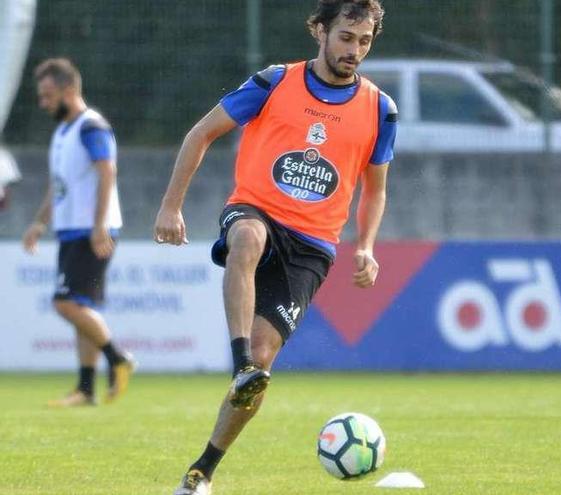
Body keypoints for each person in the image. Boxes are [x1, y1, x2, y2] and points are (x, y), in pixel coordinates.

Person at [154, 1, 396, 493]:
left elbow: (375, 189)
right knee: (246, 236)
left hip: (312, 246)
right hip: (257, 209)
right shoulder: (273, 82)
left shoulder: (380, 109)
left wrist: (366, 246)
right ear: (319, 31)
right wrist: (170, 206)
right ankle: (239, 361)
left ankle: (202, 470)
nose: (355, 49)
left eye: (365, 41)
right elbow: (201, 134)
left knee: (266, 359)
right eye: (346, 37)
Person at [22, 58, 134, 407]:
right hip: (70, 231)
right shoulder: (62, 132)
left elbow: (107, 173)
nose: (44, 103)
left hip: (91, 231)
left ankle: (118, 359)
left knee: (65, 303)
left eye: (49, 95)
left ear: (69, 90)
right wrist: (40, 223)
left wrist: (100, 225)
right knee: (81, 307)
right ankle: (86, 389)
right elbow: (59, 186)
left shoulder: (91, 126)